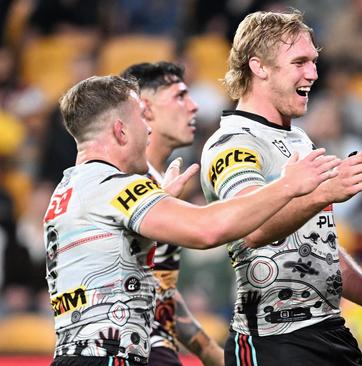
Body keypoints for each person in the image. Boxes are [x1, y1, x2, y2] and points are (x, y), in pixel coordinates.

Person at [44, 75, 340, 366]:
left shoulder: (68, 190)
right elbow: (207, 230)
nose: (148, 130)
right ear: (121, 131)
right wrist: (287, 186)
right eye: (141, 119)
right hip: (109, 359)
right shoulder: (113, 186)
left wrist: (158, 205)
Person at [199, 10, 362, 366]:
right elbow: (251, 228)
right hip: (273, 340)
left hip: (329, 331)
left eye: (314, 62)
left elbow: (321, 252)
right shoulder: (233, 144)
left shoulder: (299, 140)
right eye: (300, 62)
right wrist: (323, 193)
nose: (314, 73)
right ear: (259, 67)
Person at [120, 62, 222, 366]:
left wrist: (209, 351)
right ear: (145, 109)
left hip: (156, 347)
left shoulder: (155, 178)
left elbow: (159, 289)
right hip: (134, 349)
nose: (194, 107)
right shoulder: (125, 182)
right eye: (180, 96)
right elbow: (208, 230)